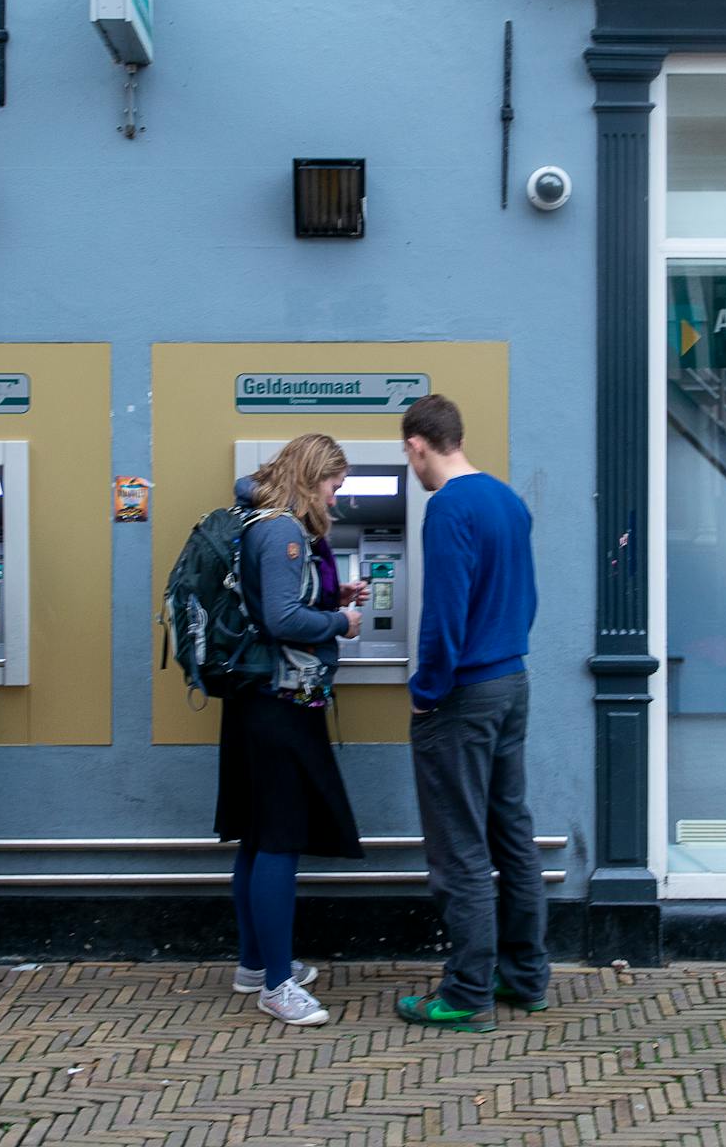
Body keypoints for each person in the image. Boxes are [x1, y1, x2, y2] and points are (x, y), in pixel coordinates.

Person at [393, 395, 546, 1034]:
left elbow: (444, 611)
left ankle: (465, 994)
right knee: (510, 830)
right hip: (512, 678)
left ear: (416, 446)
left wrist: (427, 688)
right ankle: (525, 977)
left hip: (464, 692)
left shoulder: (447, 507)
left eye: (409, 456)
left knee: (458, 845)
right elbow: (526, 596)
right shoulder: (508, 500)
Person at [215, 433, 368, 1027]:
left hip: (263, 701)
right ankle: (278, 986)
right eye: (335, 486)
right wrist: (342, 620)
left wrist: (332, 592)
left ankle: (256, 962)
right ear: (313, 476)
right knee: (277, 839)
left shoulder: (263, 522)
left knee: (259, 837)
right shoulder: (280, 529)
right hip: (279, 703)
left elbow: (277, 603)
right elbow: (281, 619)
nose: (337, 499)